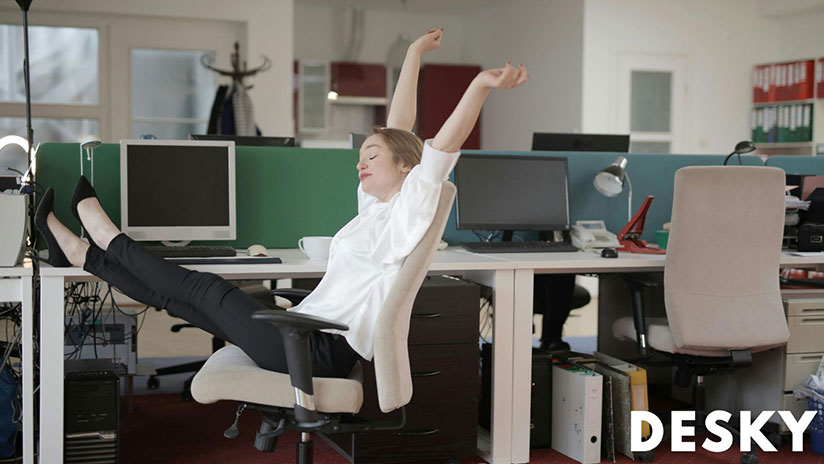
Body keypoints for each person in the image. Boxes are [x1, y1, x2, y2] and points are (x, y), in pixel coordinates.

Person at [35, 29, 529, 379]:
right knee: (175, 298)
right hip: (306, 331)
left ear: (405, 168)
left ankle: (107, 237)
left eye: (370, 156)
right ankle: (86, 254)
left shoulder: (412, 206)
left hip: (319, 349)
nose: (360, 162)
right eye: (361, 155)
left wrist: (479, 86)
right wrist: (416, 53)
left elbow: (438, 148)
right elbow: (398, 125)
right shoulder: (375, 206)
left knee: (204, 289)